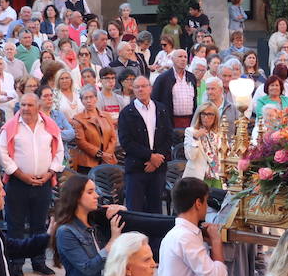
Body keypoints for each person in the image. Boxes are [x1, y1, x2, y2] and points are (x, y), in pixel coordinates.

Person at [0, 91, 61, 276]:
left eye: (30, 105)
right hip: (17, 182)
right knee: (15, 225)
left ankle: (38, 262)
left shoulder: (50, 126)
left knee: (39, 225)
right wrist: (22, 175)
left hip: (43, 182)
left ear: (38, 107)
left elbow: (59, 152)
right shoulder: (10, 127)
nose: (25, 108)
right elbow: (3, 155)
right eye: (23, 105)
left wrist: (49, 173)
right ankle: (16, 263)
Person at [119, 74, 172, 213]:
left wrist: (156, 159)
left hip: (158, 168)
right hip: (136, 169)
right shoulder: (126, 113)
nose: (140, 89)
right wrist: (150, 156)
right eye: (137, 87)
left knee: (156, 211)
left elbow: (168, 136)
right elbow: (126, 142)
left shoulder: (161, 109)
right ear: (133, 89)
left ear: (150, 88)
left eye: (144, 86)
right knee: (135, 211)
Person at [70, 85, 117, 174]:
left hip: (108, 160)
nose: (89, 101)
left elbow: (113, 137)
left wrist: (107, 154)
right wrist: (101, 154)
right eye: (85, 98)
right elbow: (81, 143)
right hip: (87, 164)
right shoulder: (78, 119)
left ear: (96, 98)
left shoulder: (106, 116)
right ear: (81, 101)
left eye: (91, 97)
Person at [183, 102, 224, 184]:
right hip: (198, 177)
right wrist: (195, 138)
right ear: (199, 115)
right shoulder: (190, 131)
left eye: (210, 114)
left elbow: (223, 155)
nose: (206, 117)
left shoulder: (219, 133)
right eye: (203, 114)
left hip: (217, 176)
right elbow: (190, 156)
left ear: (215, 117)